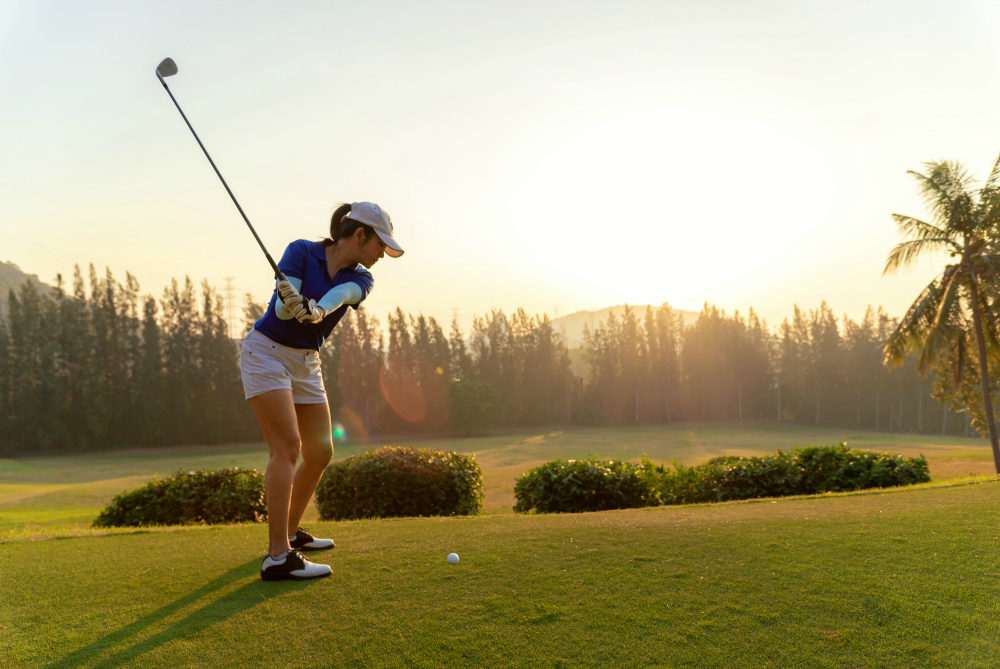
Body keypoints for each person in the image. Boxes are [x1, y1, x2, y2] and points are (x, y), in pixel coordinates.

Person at [240, 201, 403, 581]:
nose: (383, 253)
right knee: (287, 448)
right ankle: (277, 556)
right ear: (359, 235)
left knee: (321, 452)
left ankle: (292, 534)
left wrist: (315, 310)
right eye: (381, 244)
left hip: (306, 361)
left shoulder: (362, 278)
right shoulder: (301, 251)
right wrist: (290, 304)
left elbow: (340, 296)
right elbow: (281, 313)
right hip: (266, 352)